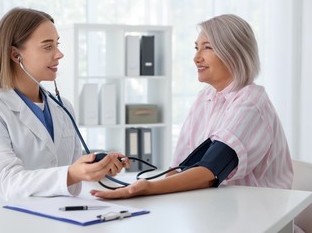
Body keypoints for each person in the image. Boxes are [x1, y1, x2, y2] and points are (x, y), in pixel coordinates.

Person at [91, 14, 293, 199]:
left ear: (234, 52)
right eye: (196, 48)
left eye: (207, 47)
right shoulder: (205, 98)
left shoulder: (251, 102)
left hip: (260, 216)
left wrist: (147, 188)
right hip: (214, 209)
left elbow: (210, 171)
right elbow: (179, 168)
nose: (196, 58)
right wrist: (145, 189)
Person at [0, 7, 128, 216]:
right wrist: (71, 173)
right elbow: (8, 182)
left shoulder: (62, 107)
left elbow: (69, 178)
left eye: (57, 45)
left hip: (49, 217)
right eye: (47, 47)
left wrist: (96, 167)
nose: (59, 54)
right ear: (15, 54)